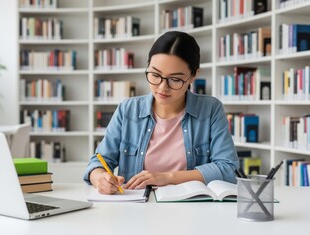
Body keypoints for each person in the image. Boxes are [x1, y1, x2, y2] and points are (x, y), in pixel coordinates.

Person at [83, 31, 239, 194]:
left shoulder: (211, 109)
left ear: (193, 76)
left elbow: (228, 169)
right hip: (136, 207)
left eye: (175, 79)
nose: (162, 87)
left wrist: (167, 177)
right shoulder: (127, 110)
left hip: (192, 209)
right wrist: (101, 178)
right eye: (155, 75)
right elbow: (97, 163)